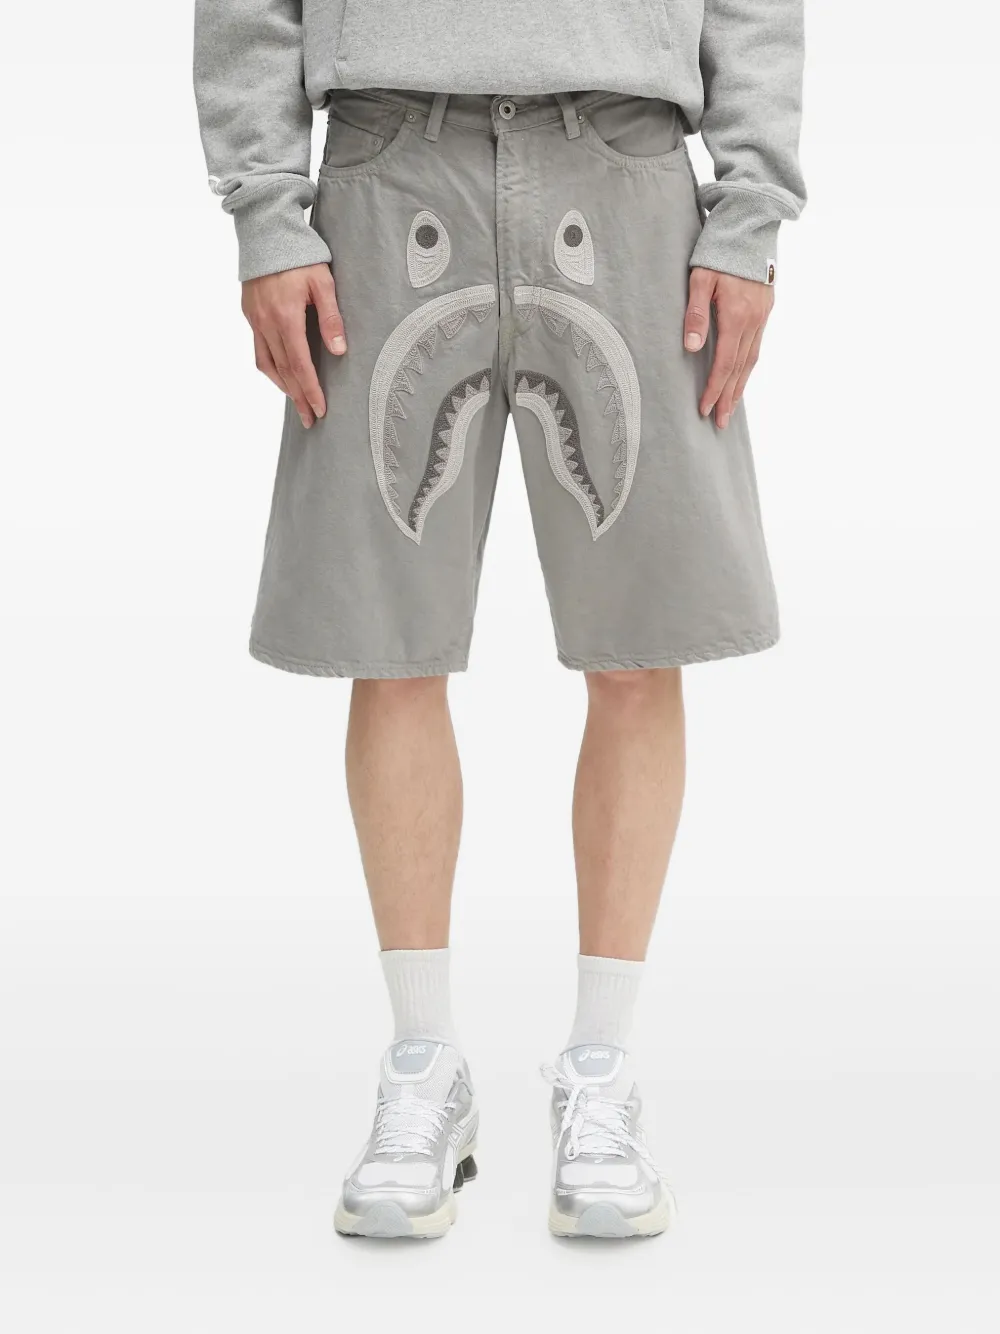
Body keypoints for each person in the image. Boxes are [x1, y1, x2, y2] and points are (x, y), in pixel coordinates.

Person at [194, 0, 805, 1240]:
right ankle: (424, 1062)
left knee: (639, 644)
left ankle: (602, 1067)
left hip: (629, 165)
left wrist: (748, 212)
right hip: (386, 163)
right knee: (390, 643)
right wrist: (266, 208)